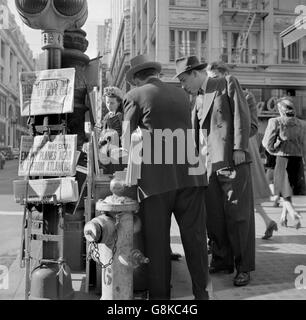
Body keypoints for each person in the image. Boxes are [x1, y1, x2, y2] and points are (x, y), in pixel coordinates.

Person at [121, 54, 209, 300]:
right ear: (155, 73)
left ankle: (161, 300)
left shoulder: (134, 96)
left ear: (136, 79)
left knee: (158, 246)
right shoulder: (182, 94)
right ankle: (202, 294)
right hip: (192, 175)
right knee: (196, 240)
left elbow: (126, 142)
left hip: (157, 180)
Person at [175, 55, 255, 287]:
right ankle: (222, 260)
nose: (183, 86)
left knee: (238, 216)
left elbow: (242, 114)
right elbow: (195, 134)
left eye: (183, 80)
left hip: (231, 160)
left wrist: (239, 147)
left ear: (194, 73)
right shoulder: (197, 98)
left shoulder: (226, 82)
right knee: (215, 217)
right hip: (207, 166)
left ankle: (243, 267)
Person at [206, 61, 278, 240]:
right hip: (217, 155)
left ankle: (242, 237)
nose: (212, 83)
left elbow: (252, 126)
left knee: (244, 196)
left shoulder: (245, 96)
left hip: (242, 150)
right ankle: (265, 222)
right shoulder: (207, 98)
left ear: (225, 75)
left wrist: (235, 137)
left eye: (215, 78)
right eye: (209, 79)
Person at [262, 96, 306, 229]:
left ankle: (294, 214)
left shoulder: (275, 121)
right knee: (288, 192)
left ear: (280, 110)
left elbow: (267, 144)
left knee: (282, 193)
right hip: (298, 161)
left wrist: (275, 145)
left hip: (282, 160)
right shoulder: (302, 124)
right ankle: (283, 217)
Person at [98, 86, 124, 174]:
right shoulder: (106, 116)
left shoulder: (120, 116)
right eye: (107, 102)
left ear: (119, 103)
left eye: (112, 103)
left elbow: (120, 135)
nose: (109, 105)